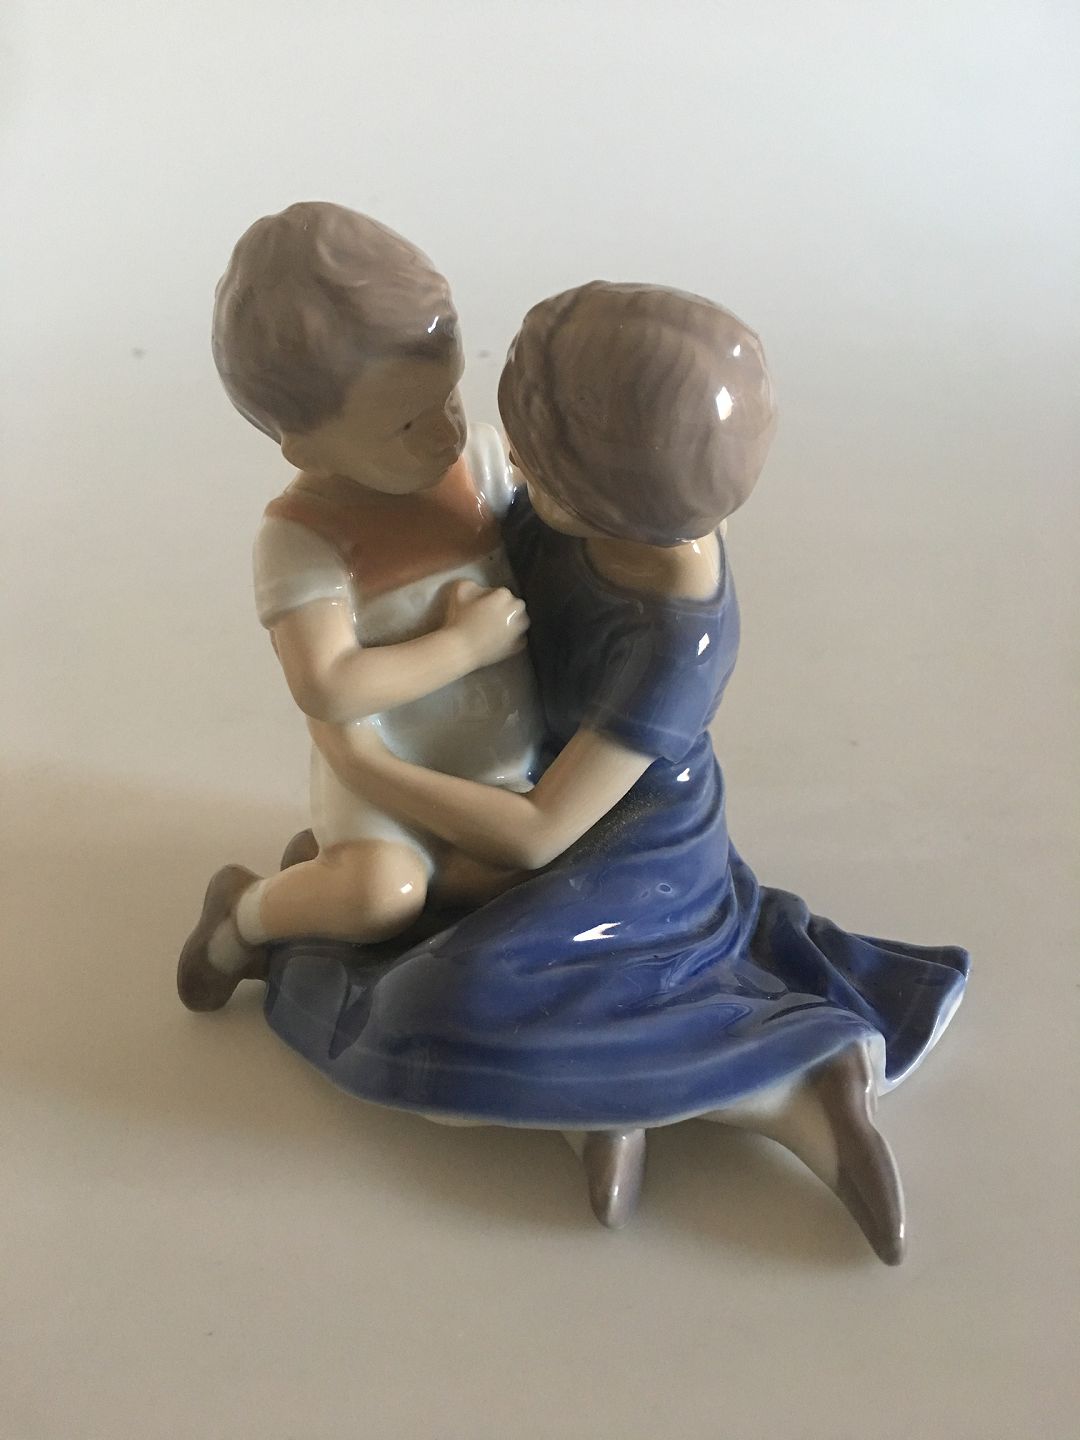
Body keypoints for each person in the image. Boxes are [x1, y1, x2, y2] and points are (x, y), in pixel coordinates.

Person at [265, 281, 971, 1264]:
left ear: (606, 493)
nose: (511, 467)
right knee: (443, 927)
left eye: (537, 463)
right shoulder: (606, 518)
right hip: (523, 779)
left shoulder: (675, 639)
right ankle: (610, 1106)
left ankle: (787, 1080)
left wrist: (363, 762)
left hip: (628, 846)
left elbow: (539, 837)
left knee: (443, 1003)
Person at [177, 203, 541, 1012]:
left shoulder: (480, 463)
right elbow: (328, 685)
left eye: (448, 395)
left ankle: (344, 877)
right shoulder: (303, 539)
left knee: (535, 867)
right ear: (307, 447)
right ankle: (243, 917)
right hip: (383, 774)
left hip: (499, 766)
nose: (444, 433)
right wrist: (462, 647)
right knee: (385, 895)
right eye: (405, 423)